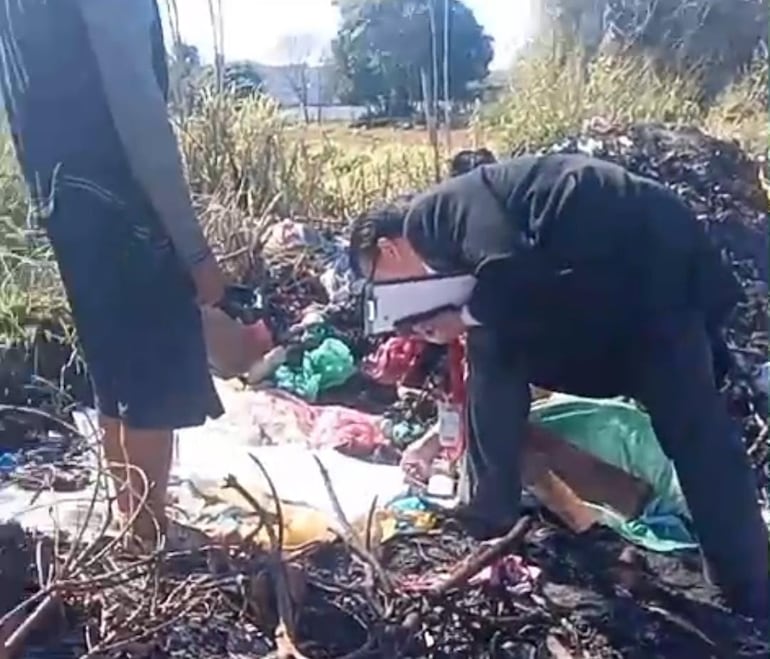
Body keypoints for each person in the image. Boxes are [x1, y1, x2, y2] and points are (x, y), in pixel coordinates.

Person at [348, 153, 769, 618]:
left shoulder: (433, 216)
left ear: (387, 251)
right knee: (697, 434)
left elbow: (509, 269)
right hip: (655, 267)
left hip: (627, 267)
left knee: (492, 344)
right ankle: (744, 587)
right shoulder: (469, 212)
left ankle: (487, 511)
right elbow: (525, 278)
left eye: (377, 281)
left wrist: (458, 319)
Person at [0, 0, 228, 544]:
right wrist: (193, 250)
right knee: (152, 371)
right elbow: (137, 108)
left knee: (115, 367)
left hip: (59, 194)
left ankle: (133, 521)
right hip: (118, 193)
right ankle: (148, 539)